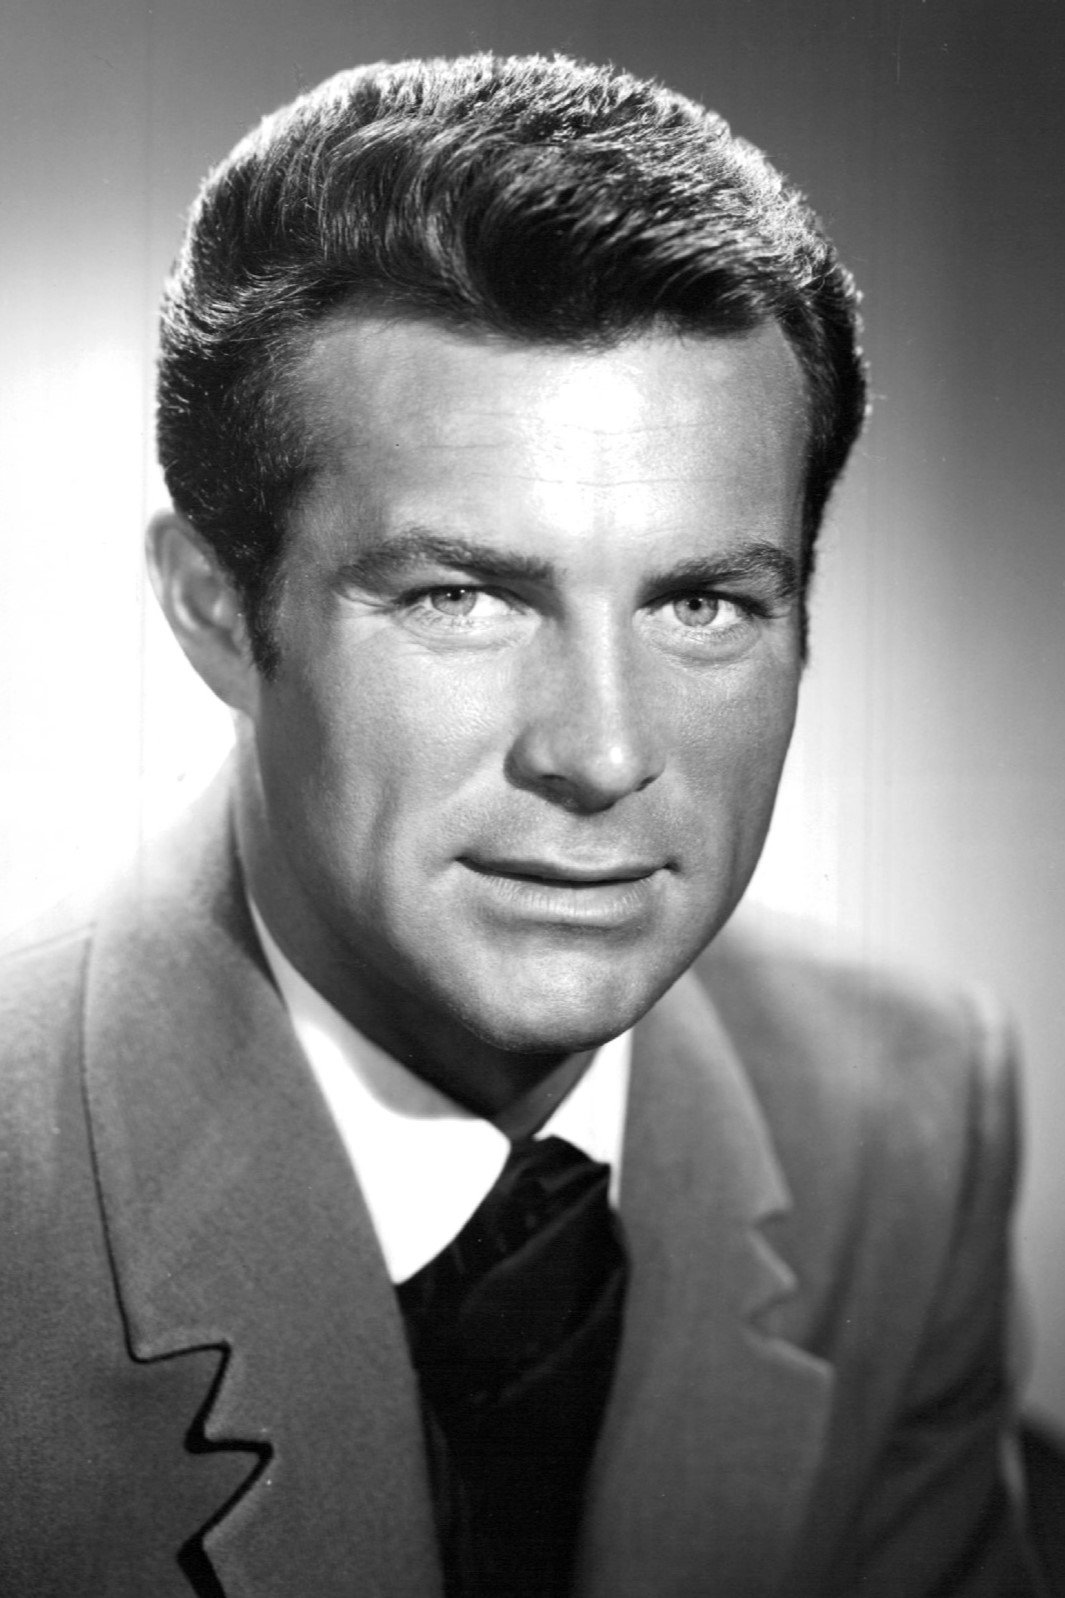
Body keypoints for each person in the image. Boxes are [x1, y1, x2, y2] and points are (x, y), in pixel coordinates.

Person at [0, 53, 1043, 1598]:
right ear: (215, 609)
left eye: (702, 602)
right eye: (459, 597)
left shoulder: (904, 1119)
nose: (602, 753)